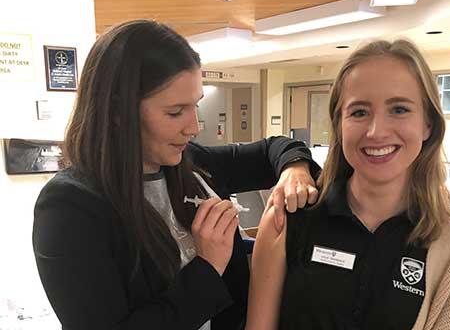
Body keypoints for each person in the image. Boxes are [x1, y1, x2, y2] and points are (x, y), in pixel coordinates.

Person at [32, 20, 320, 330]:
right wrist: (207, 267)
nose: (193, 127)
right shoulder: (70, 206)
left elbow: (275, 149)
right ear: (118, 112)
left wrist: (295, 169)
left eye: (194, 107)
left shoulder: (193, 164)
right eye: (175, 112)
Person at [246, 39, 450, 330]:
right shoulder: (286, 220)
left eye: (399, 109)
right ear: (339, 125)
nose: (376, 131)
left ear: (427, 124)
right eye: (359, 112)